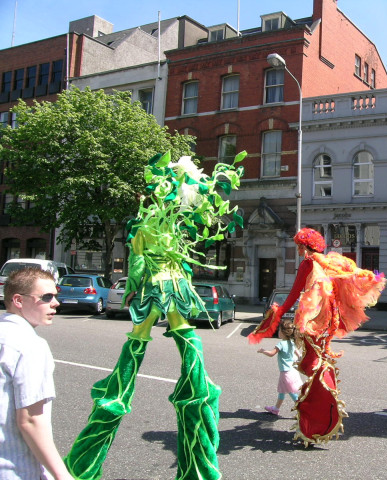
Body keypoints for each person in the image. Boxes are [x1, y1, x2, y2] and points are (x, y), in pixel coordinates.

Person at [64, 151, 244, 480]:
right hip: (178, 289)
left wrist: (132, 287)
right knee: (188, 348)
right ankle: (198, 455)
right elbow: (185, 254)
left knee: (134, 349)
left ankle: (87, 459)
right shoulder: (176, 224)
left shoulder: (146, 224)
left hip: (153, 290)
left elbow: (136, 262)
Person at [249, 228, 387, 446]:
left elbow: (294, 293)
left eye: (298, 246)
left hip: (313, 320)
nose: (297, 249)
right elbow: (350, 274)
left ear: (305, 246)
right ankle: (320, 414)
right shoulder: (329, 262)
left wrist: (278, 312)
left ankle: (314, 420)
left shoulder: (308, 264)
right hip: (328, 321)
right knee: (319, 362)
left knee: (314, 363)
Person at [0, 267, 74, 480]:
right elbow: (30, 420)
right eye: (47, 297)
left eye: (56, 295)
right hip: (17, 468)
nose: (56, 303)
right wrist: (62, 475)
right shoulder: (30, 345)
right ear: (18, 300)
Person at [257, 319, 303, 416]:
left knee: (291, 393)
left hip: (286, 373)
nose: (278, 332)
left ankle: (302, 410)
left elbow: (271, 354)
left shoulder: (281, 344)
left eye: (279, 330)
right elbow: (297, 353)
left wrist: (263, 351)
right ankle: (276, 409)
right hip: (292, 371)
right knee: (282, 391)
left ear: (283, 332)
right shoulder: (291, 342)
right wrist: (299, 357)